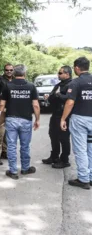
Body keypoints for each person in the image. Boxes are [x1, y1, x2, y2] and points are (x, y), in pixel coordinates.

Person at [0, 64, 40, 180]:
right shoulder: (31, 86)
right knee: (25, 145)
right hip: (26, 119)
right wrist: (37, 120)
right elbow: (36, 105)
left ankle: (13, 171)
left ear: (13, 73)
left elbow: (2, 104)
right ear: (25, 73)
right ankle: (25, 169)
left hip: (11, 119)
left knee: (11, 146)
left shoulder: (8, 86)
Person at [61, 57, 92, 190]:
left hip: (80, 119)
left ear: (77, 68)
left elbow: (70, 102)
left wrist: (63, 119)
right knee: (91, 149)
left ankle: (83, 179)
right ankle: (90, 176)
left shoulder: (76, 83)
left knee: (80, 150)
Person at [42, 66, 73, 168]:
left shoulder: (71, 85)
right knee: (53, 135)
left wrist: (58, 94)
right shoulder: (59, 85)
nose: (58, 75)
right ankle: (54, 156)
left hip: (65, 115)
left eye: (60, 73)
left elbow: (69, 100)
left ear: (67, 74)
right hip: (55, 114)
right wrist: (49, 97)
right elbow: (52, 97)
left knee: (64, 138)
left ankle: (65, 160)